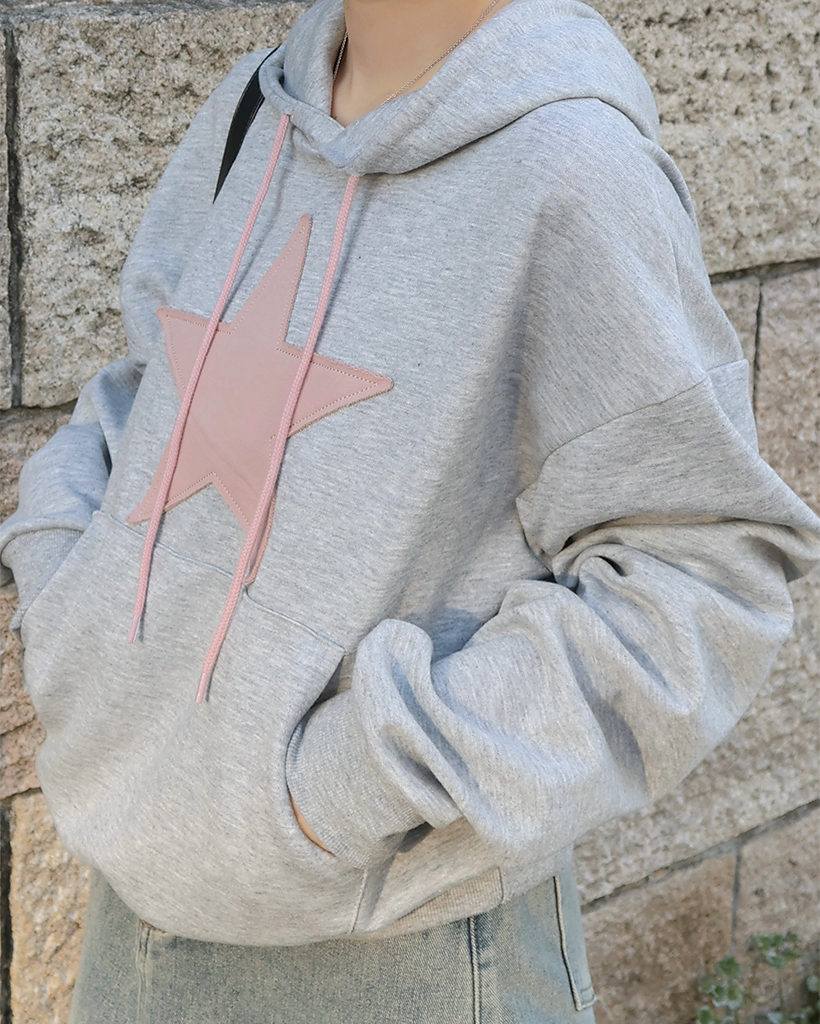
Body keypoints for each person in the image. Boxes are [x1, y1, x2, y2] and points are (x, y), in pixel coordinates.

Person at [1, 0, 818, 1020]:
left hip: (397, 946)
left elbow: (705, 577)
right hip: (133, 910)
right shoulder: (252, 109)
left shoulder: (573, 167)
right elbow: (143, 390)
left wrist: (338, 793)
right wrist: (64, 607)